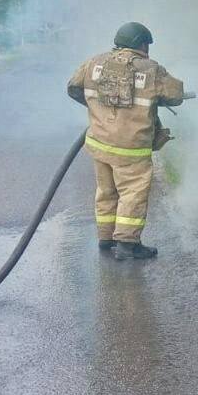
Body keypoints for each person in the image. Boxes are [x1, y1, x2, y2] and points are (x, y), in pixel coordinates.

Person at [67, 22, 185, 261]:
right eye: (146, 45)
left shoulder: (94, 63)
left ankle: (106, 237)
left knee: (106, 191)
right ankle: (128, 244)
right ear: (140, 44)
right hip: (131, 148)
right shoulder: (151, 70)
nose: (148, 50)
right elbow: (176, 95)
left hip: (100, 143)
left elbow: (73, 88)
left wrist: (98, 110)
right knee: (132, 193)